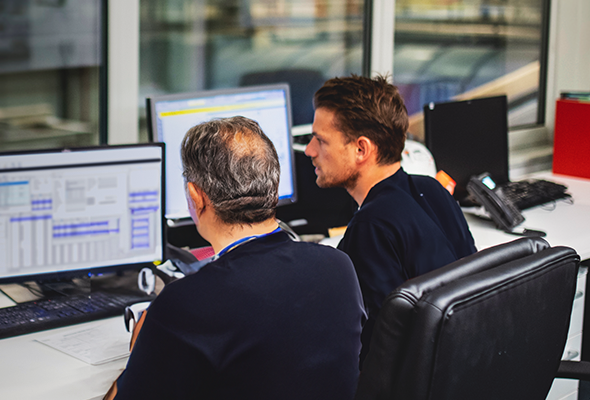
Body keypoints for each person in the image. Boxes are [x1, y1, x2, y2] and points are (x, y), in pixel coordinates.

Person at [106, 116, 365, 400]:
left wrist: (142, 354)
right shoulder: (338, 268)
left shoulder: (187, 303)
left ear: (196, 197)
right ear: (273, 187)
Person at [303, 75, 476, 362]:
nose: (309, 150)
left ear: (361, 149)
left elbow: (375, 352)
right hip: (460, 370)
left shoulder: (371, 227)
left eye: (321, 141)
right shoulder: (431, 189)